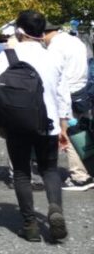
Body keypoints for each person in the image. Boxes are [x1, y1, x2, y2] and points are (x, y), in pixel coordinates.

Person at [0, 10, 72, 241]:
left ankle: (30, 225)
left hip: (17, 123)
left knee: (22, 173)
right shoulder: (54, 56)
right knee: (50, 169)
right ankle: (55, 208)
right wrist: (63, 125)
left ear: (19, 31)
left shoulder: (7, 56)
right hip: (49, 122)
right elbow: (63, 94)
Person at [44, 23, 94, 191]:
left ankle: (80, 177)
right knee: (84, 133)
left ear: (45, 34)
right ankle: (89, 169)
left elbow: (53, 74)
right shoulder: (76, 41)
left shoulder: (54, 48)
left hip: (67, 94)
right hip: (82, 90)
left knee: (70, 135)